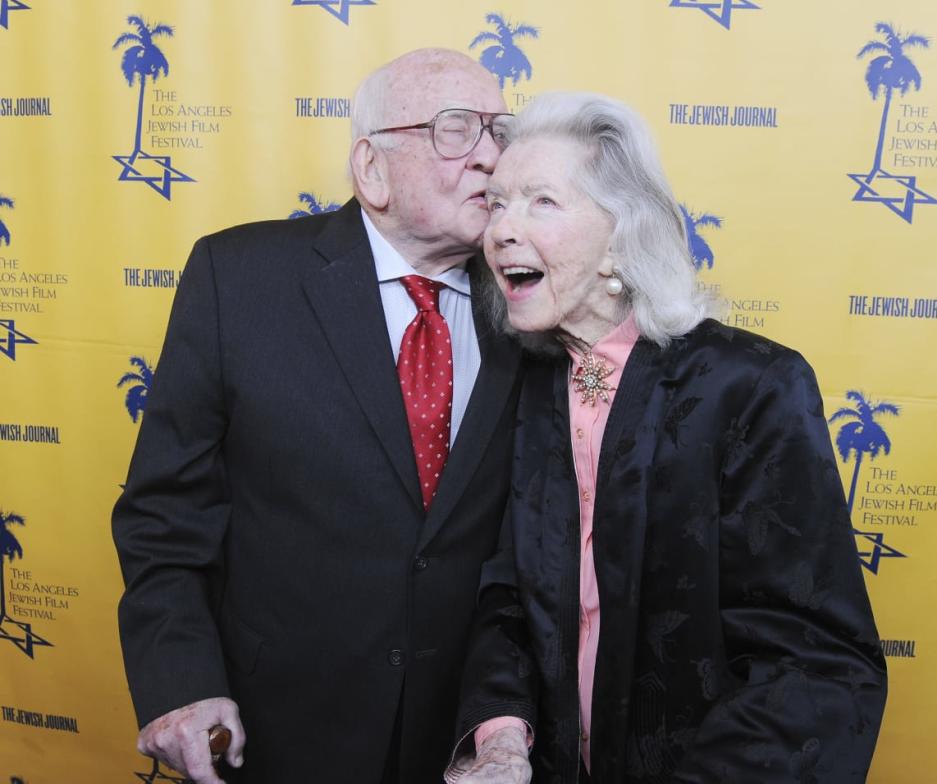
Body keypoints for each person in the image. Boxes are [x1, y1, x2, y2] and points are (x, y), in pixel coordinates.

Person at [447, 92, 887, 783]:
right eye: (496, 203)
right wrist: (501, 736)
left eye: (541, 202)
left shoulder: (750, 385)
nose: (502, 230)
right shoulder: (528, 390)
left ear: (621, 235)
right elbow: (508, 600)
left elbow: (813, 661)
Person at [112, 48, 523, 784]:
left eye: (500, 131)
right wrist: (181, 682)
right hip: (279, 733)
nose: (492, 157)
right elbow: (164, 517)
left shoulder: (529, 305)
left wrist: (502, 729)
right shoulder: (238, 279)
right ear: (372, 168)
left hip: (466, 742)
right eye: (458, 130)